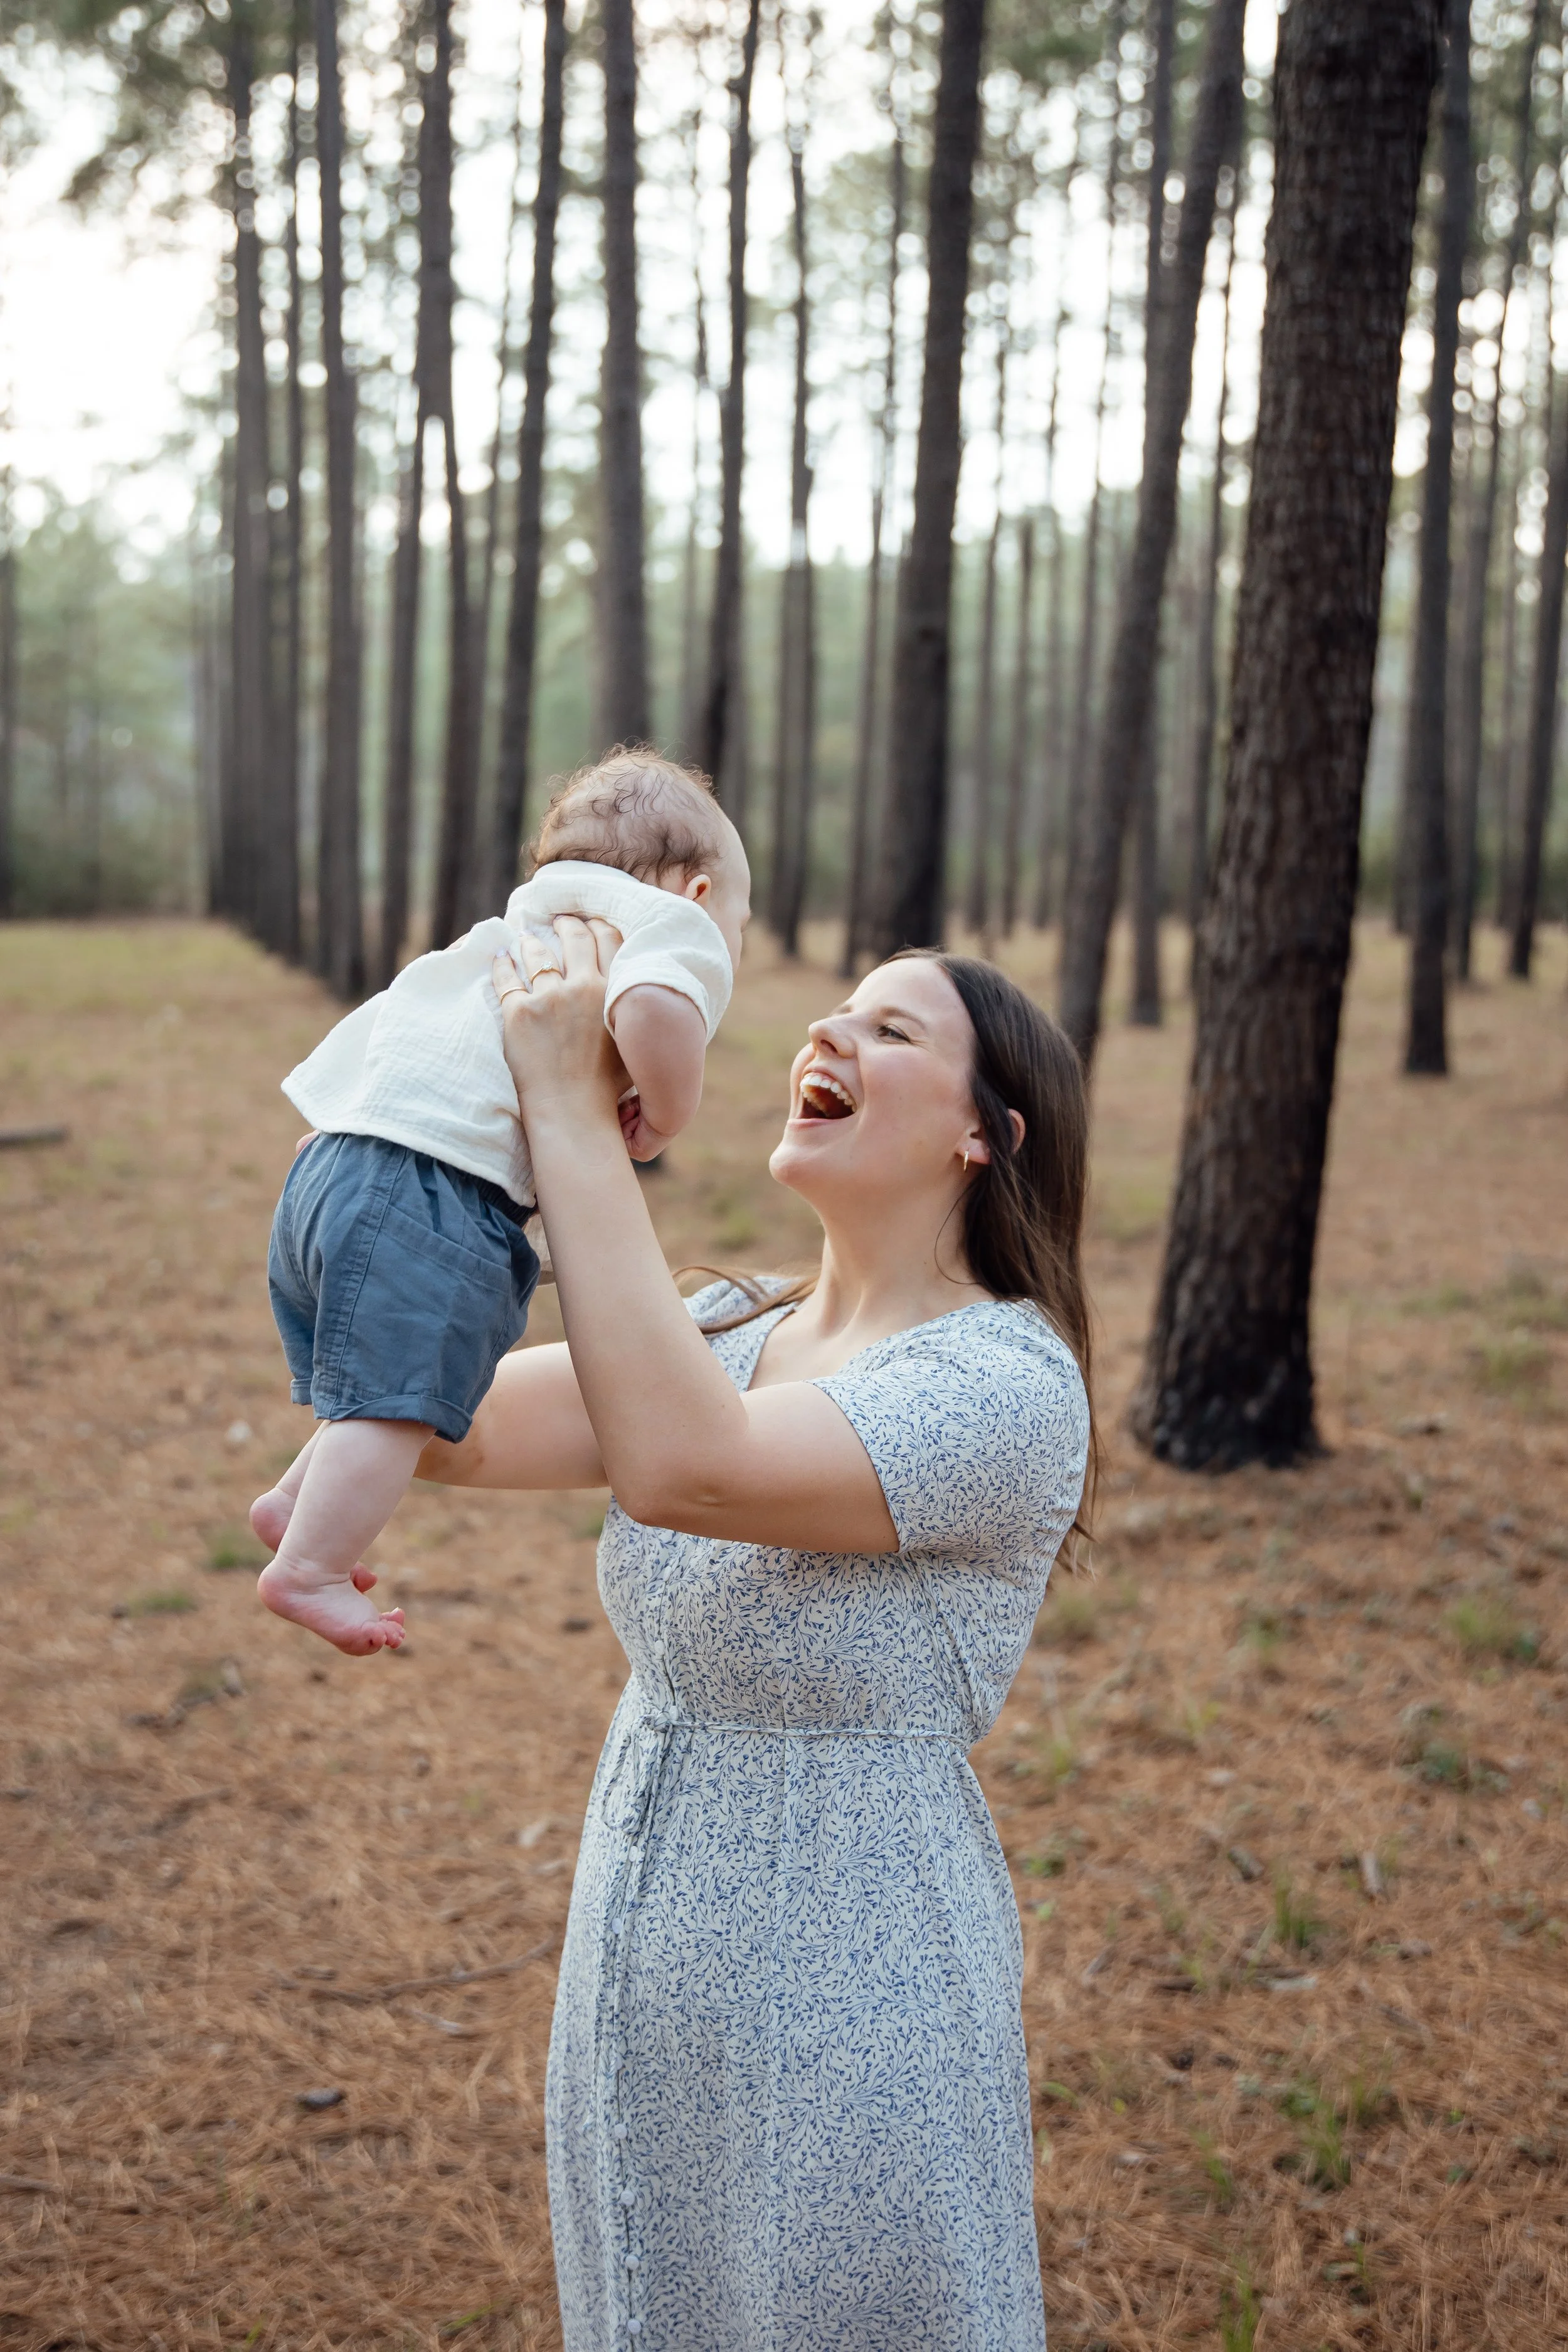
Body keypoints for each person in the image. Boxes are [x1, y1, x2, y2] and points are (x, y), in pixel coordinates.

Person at [418, 916, 1096, 2352]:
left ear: (988, 1136)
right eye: (833, 1014)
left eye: (892, 1031)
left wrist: (572, 1124)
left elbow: (688, 1467)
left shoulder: (1004, 1385)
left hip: (847, 1978)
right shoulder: (729, 1327)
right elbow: (451, 1430)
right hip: (639, 1949)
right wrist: (394, 1151)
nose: (825, 1036)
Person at [252, 751, 751, 1657]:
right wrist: (666, 1109)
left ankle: (298, 1500)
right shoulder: (671, 923)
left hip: (330, 1160)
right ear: (702, 888)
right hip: (426, 1193)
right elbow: (656, 1007)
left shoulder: (516, 923)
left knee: (379, 1382)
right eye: (740, 922)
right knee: (401, 1397)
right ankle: (312, 1565)